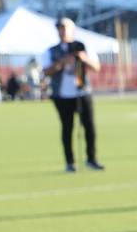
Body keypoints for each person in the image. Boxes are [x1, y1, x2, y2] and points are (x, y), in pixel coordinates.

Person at [43, 17, 103, 172]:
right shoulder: (52, 50)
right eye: (59, 29)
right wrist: (62, 62)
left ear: (72, 30)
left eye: (64, 28)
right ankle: (69, 162)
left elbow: (96, 66)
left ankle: (92, 159)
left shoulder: (82, 46)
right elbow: (47, 71)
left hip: (82, 92)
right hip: (62, 95)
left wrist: (82, 58)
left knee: (89, 127)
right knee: (67, 128)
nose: (62, 31)